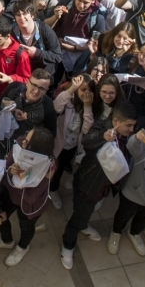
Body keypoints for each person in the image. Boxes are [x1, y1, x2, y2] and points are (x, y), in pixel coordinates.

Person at [61, 101, 137, 269]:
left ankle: (84, 224)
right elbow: (87, 141)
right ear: (116, 122)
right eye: (129, 126)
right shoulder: (102, 126)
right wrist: (102, 136)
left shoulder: (126, 135)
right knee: (78, 216)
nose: (132, 130)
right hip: (87, 185)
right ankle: (68, 245)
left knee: (87, 212)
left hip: (103, 187)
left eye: (134, 126)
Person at [0, 127, 55, 266]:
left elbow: (31, 197)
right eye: (26, 136)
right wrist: (11, 171)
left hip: (29, 204)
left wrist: (27, 180)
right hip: (11, 193)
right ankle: (7, 241)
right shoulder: (19, 142)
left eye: (27, 141)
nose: (23, 141)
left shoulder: (48, 167)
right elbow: (5, 167)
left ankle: (22, 247)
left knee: (27, 227)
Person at [108, 117, 145, 256]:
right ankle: (116, 233)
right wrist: (137, 137)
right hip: (132, 195)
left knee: (143, 220)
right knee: (122, 217)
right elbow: (131, 146)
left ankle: (134, 233)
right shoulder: (142, 148)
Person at [49, 74, 95, 210]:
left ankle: (53, 189)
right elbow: (56, 107)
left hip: (73, 146)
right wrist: (70, 90)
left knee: (61, 168)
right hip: (58, 143)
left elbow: (87, 129)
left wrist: (87, 107)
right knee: (52, 168)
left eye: (89, 90)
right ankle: (49, 189)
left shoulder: (90, 105)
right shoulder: (68, 100)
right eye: (82, 89)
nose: (86, 93)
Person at [46, 0, 107, 80]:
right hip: (57, 52)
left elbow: (96, 44)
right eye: (79, 0)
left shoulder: (98, 17)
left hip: (80, 59)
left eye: (86, 2)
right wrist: (55, 16)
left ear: (93, 0)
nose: (81, 5)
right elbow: (46, 24)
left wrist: (74, 48)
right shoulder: (65, 3)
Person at [10, 0, 62, 81]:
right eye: (18, 15)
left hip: (44, 77)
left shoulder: (45, 30)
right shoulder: (12, 33)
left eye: (24, 14)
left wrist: (36, 53)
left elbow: (57, 56)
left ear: (32, 15)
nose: (21, 18)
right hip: (23, 76)